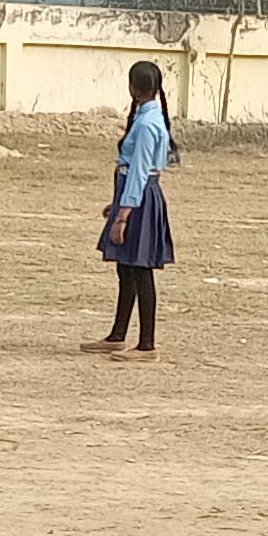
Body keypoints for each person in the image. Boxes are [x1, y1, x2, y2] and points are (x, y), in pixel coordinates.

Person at [86, 59, 177, 360]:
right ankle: (118, 335)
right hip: (135, 195)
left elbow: (139, 170)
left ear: (133, 88)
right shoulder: (152, 117)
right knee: (126, 267)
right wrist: (118, 202)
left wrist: (122, 215)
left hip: (139, 199)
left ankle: (147, 345)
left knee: (140, 270)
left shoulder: (148, 123)